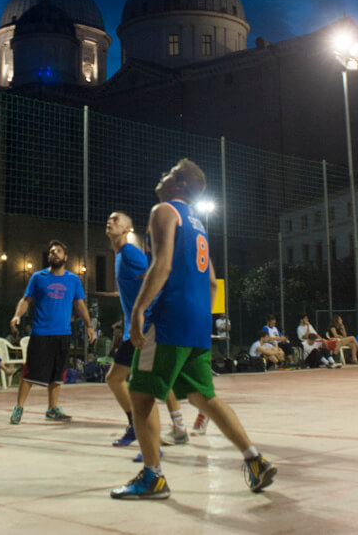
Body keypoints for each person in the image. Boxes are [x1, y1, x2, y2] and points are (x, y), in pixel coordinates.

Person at [112, 158, 276, 500]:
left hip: (169, 318)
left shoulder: (164, 211)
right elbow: (213, 282)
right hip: (197, 323)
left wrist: (140, 308)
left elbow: (163, 264)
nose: (161, 174)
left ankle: (153, 477)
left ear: (182, 184)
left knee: (140, 396)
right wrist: (200, 310)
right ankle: (254, 459)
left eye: (169, 172)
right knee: (205, 397)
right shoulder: (198, 224)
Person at [104, 211, 188, 450]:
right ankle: (155, 428)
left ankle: (154, 441)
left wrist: (148, 312)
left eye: (117, 220)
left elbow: (155, 275)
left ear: (128, 230)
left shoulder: (130, 252)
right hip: (137, 329)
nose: (111, 222)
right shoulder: (120, 255)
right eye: (109, 219)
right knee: (118, 379)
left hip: (146, 327)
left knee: (142, 385)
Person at [8, 239, 95, 424]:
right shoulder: (38, 277)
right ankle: (18, 408)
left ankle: (52, 409)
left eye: (58, 251)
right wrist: (17, 316)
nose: (54, 254)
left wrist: (88, 325)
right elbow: (25, 300)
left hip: (62, 334)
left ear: (66, 257)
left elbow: (80, 304)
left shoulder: (73, 280)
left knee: (57, 374)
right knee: (30, 373)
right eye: (51, 252)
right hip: (41, 333)